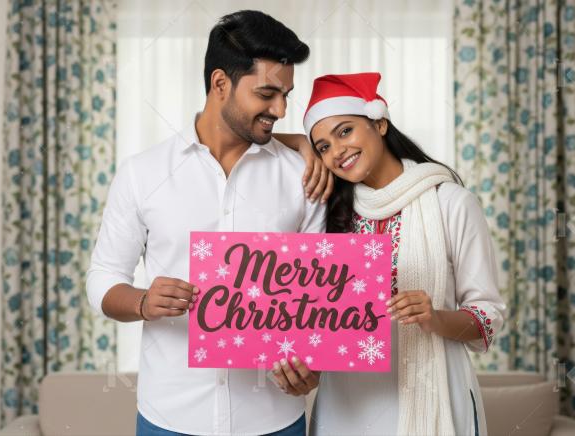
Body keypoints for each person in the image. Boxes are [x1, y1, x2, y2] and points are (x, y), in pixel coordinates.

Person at [86, 10, 328, 436]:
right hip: (170, 416)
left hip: (273, 418)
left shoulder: (302, 175)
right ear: (220, 84)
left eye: (287, 95)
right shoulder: (142, 173)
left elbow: (320, 300)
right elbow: (104, 278)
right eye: (268, 94)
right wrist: (143, 301)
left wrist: (315, 367)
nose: (282, 109)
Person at [273, 72, 507, 435]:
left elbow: (488, 316)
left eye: (345, 131)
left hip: (437, 398)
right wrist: (303, 146)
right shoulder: (330, 212)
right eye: (322, 146)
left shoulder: (451, 203)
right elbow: (251, 142)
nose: (337, 151)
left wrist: (434, 318)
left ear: (379, 123)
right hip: (347, 408)